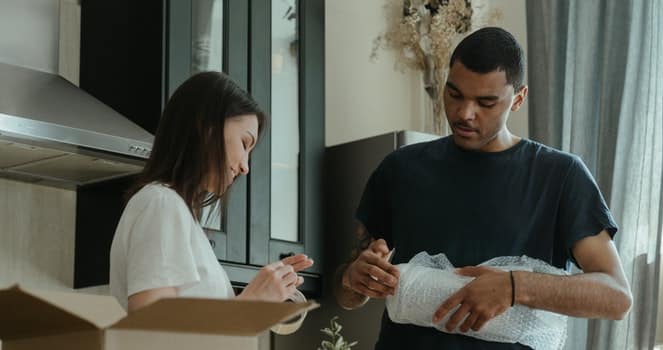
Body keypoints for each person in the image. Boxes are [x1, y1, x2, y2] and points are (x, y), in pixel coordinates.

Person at [334, 27, 632, 349]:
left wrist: (516, 287)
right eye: (454, 94)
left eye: (486, 102)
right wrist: (354, 279)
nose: (464, 113)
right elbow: (347, 296)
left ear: (518, 99)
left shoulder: (561, 176)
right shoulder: (399, 169)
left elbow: (615, 296)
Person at [110, 71, 313, 312]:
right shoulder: (162, 203)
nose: (245, 167)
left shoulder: (179, 214)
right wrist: (251, 304)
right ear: (206, 128)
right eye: (244, 143)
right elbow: (151, 329)